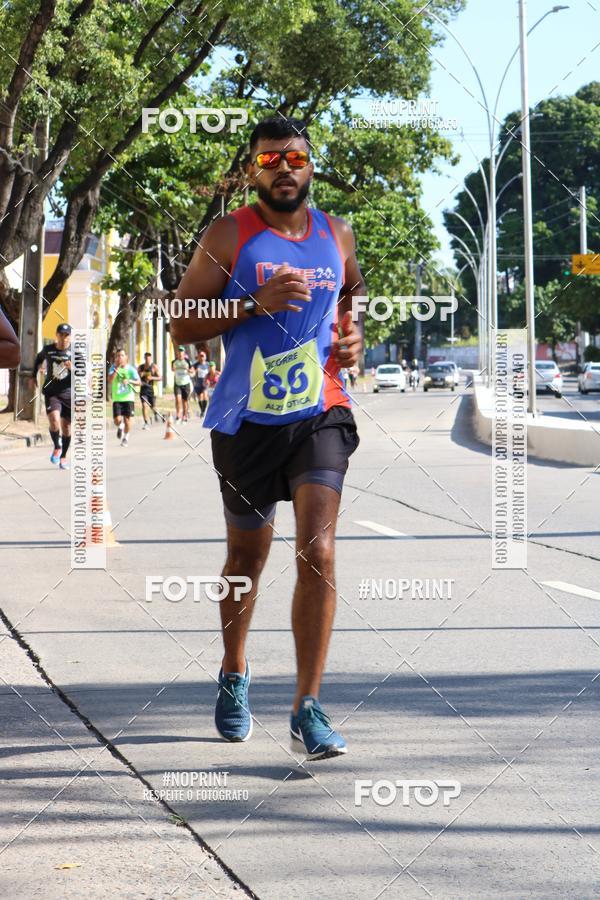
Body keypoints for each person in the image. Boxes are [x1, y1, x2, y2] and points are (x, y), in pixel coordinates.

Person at [171, 116, 364, 760]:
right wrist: (253, 303)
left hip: (320, 411)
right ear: (253, 170)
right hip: (246, 420)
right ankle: (234, 670)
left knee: (320, 551)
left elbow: (352, 292)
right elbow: (182, 322)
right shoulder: (228, 234)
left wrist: (353, 333)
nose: (284, 168)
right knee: (246, 560)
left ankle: (308, 705)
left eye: (296, 158)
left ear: (311, 166)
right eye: (270, 159)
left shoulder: (337, 233)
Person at [32, 323, 72, 469]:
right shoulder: (48, 350)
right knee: (54, 420)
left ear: (70, 337)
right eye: (61, 335)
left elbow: (83, 372)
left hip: (68, 394)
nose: (63, 338)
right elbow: (38, 359)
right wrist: (33, 376)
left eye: (66, 335)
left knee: (67, 428)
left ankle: (63, 457)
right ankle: (57, 446)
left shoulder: (75, 352)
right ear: (57, 335)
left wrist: (72, 368)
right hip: (52, 392)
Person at [108, 349, 140, 446]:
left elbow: (139, 382)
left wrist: (129, 381)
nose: (120, 357)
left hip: (128, 398)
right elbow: (110, 380)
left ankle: (126, 437)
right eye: (118, 356)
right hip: (117, 398)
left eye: (122, 355)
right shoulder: (113, 368)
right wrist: (116, 369)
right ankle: (120, 426)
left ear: (126, 357)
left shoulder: (131, 369)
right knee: (117, 420)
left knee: (127, 420)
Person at [138, 352, 161, 428]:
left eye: (149, 359)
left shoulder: (154, 367)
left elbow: (160, 377)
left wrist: (152, 378)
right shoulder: (140, 367)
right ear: (144, 358)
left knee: (153, 407)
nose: (147, 360)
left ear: (150, 359)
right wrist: (139, 376)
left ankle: (156, 413)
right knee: (144, 405)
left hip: (152, 390)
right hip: (143, 390)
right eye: (146, 359)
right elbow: (136, 378)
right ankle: (146, 422)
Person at [171, 345, 192, 422]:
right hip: (177, 383)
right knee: (178, 399)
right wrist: (175, 369)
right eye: (179, 351)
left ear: (184, 353)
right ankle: (178, 415)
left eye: (181, 351)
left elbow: (192, 370)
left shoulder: (187, 361)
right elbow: (172, 369)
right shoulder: (174, 362)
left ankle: (185, 416)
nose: (180, 353)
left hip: (186, 383)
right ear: (177, 353)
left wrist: (188, 370)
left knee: (185, 401)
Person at [191, 349, 210, 417]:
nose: (201, 357)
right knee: (200, 397)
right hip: (198, 383)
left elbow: (210, 372)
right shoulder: (196, 364)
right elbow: (192, 372)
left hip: (205, 383)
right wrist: (195, 371)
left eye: (202, 356)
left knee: (205, 396)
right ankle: (202, 410)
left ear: (205, 357)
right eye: (200, 356)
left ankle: (203, 411)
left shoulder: (208, 364)